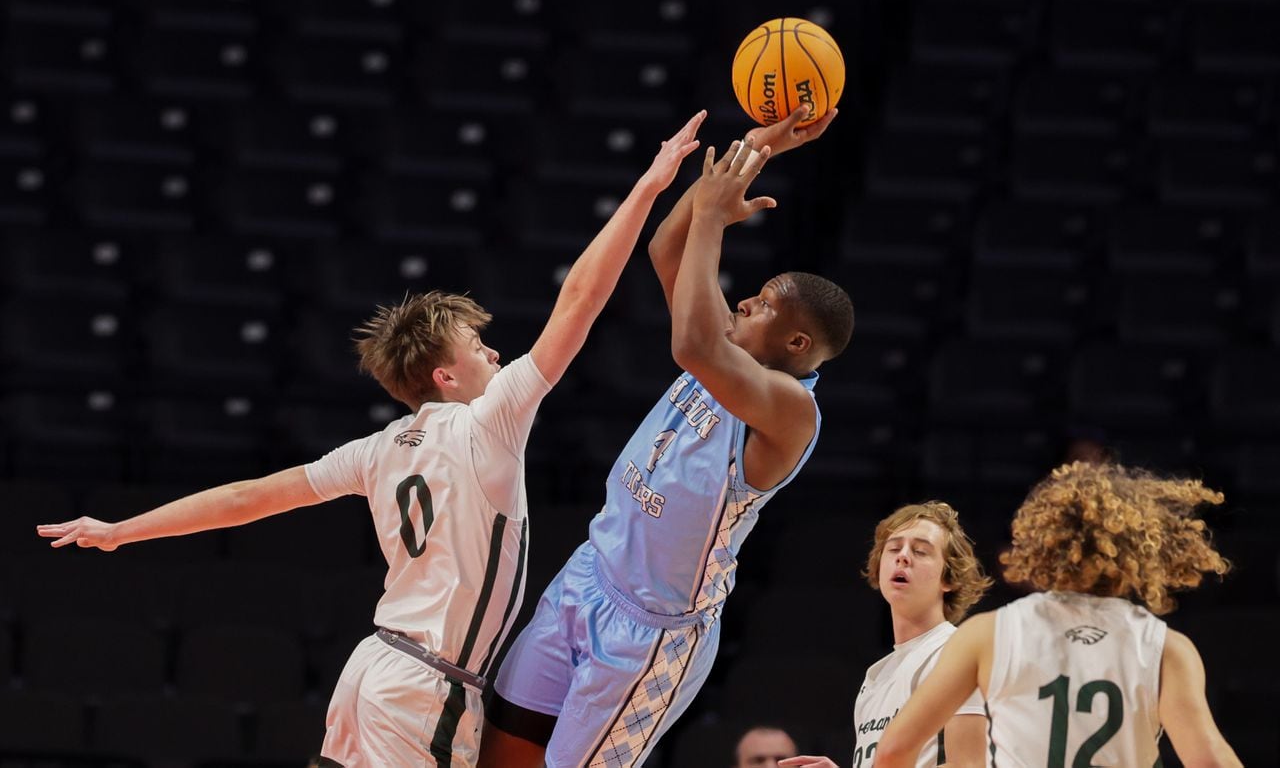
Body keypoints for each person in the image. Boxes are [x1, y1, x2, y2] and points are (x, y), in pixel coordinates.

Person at [35, 112, 709, 767]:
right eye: (477, 343)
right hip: (428, 688)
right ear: (445, 374)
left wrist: (124, 529)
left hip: (372, 669)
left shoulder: (377, 448)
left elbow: (246, 497)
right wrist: (649, 185)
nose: (495, 352)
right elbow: (580, 300)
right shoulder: (489, 420)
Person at [478, 104, 854, 768]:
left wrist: (713, 216)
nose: (744, 302)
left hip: (650, 634)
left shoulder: (790, 409)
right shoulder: (728, 342)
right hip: (590, 575)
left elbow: (691, 344)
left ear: (798, 342)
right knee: (500, 748)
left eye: (762, 302)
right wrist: (753, 150)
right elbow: (667, 249)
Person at [874, 462, 1243, 768]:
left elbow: (893, 751)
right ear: (1138, 553)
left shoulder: (987, 634)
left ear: (1043, 543)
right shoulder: (1167, 648)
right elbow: (1209, 761)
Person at [780, 502, 991, 768]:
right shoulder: (875, 677)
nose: (902, 556)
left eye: (921, 551)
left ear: (949, 579)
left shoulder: (958, 652)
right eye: (893, 549)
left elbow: (969, 765)